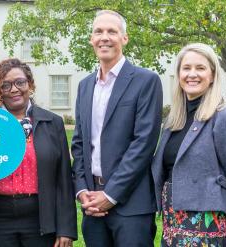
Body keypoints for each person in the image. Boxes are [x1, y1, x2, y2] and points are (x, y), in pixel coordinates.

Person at [0, 58, 78, 247]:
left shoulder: (53, 123)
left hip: (41, 220)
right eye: (5, 85)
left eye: (20, 82)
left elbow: (64, 181)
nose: (14, 89)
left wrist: (66, 228)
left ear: (29, 84)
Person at [71, 10, 163, 247]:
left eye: (112, 31)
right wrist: (82, 191)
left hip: (131, 204)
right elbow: (79, 143)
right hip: (92, 204)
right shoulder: (84, 86)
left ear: (124, 38)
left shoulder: (146, 81)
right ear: (91, 39)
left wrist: (110, 195)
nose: (105, 37)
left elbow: (143, 144)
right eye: (98, 31)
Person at [150, 43, 226, 246]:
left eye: (200, 68)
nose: (192, 74)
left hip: (210, 225)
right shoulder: (173, 120)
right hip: (173, 222)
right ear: (179, 74)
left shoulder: (225, 117)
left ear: (213, 75)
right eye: (186, 68)